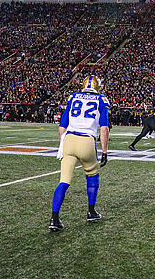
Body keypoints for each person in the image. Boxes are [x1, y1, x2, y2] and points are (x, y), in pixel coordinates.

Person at [50, 75, 110, 232]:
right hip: (86, 140)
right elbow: (104, 128)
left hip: (69, 139)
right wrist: (104, 151)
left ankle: (54, 218)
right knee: (92, 174)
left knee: (64, 181)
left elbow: (62, 127)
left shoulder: (73, 97)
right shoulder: (101, 100)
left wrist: (63, 146)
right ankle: (91, 211)